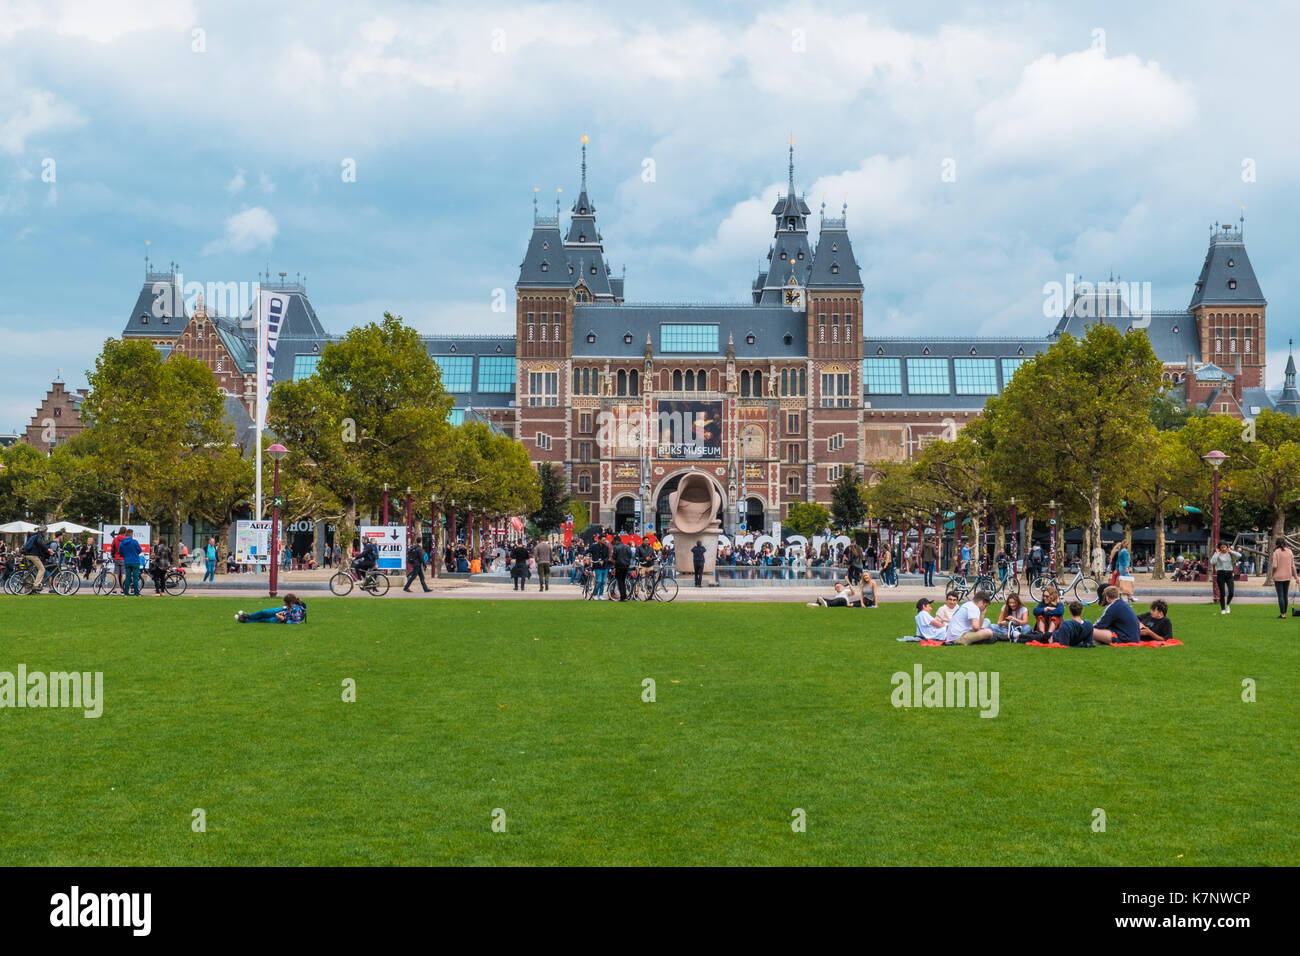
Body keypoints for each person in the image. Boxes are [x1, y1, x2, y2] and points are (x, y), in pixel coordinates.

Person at [1210, 542, 1241, 614]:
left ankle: (1227, 605)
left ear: (1227, 547)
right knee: (1222, 593)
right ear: (1219, 548)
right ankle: (1223, 609)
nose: (1223, 549)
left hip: (1229, 574)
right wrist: (1217, 553)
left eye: (1225, 547)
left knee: (1231, 592)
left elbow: (1239, 555)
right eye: (1222, 547)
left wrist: (1230, 551)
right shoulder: (1217, 554)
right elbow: (1212, 562)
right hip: (1220, 574)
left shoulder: (1230, 554)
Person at [236, 593, 307, 624]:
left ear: (290, 603)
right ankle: (249, 616)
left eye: (286, 603)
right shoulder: (293, 605)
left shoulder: (297, 613)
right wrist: (283, 612)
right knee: (264, 612)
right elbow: (288, 610)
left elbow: (292, 621)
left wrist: (280, 617)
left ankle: (246, 621)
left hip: (283, 619)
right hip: (284, 611)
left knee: (263, 620)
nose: (285, 604)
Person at [22, 525, 53, 592]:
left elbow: (40, 547)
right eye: (46, 531)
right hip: (33, 555)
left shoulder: (35, 535)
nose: (46, 533)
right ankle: (36, 585)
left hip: (27, 555)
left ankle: (27, 590)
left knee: (31, 572)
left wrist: (47, 551)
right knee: (42, 569)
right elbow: (41, 544)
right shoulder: (39, 536)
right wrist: (48, 549)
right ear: (44, 531)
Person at [1271, 539, 1295, 619]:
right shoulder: (1290, 551)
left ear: (1277, 544)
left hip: (1278, 576)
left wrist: (1272, 573)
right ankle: (1285, 613)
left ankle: (1283, 614)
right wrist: (1296, 577)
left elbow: (1274, 566)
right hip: (1288, 576)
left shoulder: (1276, 552)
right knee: (1285, 595)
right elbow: (1293, 566)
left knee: (1280, 595)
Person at [118, 528, 144, 596]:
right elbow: (140, 550)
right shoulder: (134, 541)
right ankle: (136, 593)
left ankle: (126, 592)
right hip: (135, 561)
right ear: (131, 534)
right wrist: (135, 553)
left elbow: (120, 553)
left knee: (128, 578)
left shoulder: (122, 543)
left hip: (127, 562)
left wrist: (125, 556)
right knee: (135, 578)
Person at [612, 537, 634, 601]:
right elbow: (630, 555)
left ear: (616, 541)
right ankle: (624, 596)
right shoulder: (627, 547)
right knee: (623, 581)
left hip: (619, 566)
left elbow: (614, 556)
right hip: (626, 566)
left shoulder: (616, 547)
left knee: (620, 581)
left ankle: (622, 596)